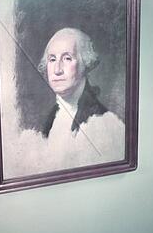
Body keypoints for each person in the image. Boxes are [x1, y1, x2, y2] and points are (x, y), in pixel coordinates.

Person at [36, 27, 125, 166]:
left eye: (67, 58)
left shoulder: (103, 122)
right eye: (52, 59)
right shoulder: (50, 118)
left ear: (85, 63)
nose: (57, 70)